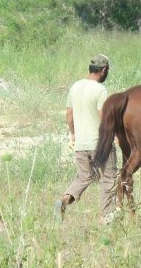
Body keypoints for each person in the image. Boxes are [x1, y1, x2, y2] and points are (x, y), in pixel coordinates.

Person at [55, 54, 118, 224]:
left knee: (84, 177)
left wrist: (73, 133)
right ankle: (106, 216)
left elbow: (69, 113)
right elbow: (104, 116)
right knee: (108, 178)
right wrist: (115, 135)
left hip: (81, 144)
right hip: (99, 143)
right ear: (103, 70)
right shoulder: (100, 90)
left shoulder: (75, 86)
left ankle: (65, 199)